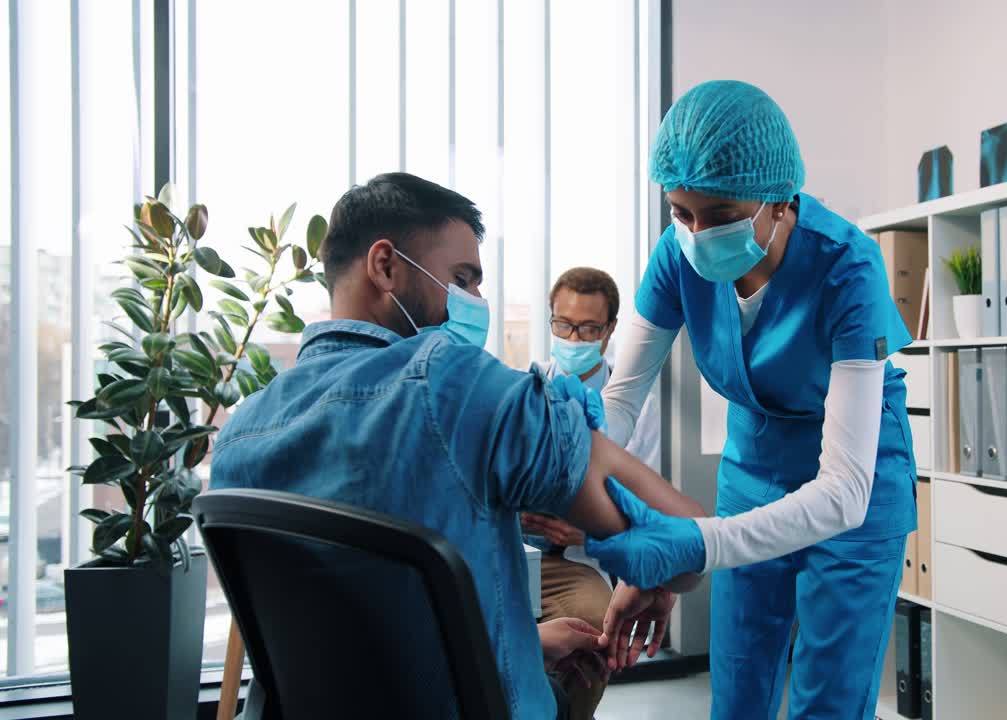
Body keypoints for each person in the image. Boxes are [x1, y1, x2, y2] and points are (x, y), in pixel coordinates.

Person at [209, 173, 705, 720]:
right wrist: (656, 576)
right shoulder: (453, 385)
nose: (475, 301)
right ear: (385, 266)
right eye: (463, 279)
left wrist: (524, 645)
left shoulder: (241, 435)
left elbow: (357, 635)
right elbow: (685, 546)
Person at [586, 81, 918, 720]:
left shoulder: (849, 265)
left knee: (829, 699)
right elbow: (619, 403)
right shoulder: (677, 254)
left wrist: (694, 544)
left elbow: (844, 490)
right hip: (754, 466)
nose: (696, 232)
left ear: (779, 201)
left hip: (858, 482)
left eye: (720, 214)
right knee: (737, 689)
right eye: (681, 212)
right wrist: (616, 524)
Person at [520, 267, 662, 720]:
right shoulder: (526, 387)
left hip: (584, 556)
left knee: (590, 641)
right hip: (518, 548)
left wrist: (589, 528)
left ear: (610, 330)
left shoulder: (639, 405)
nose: (573, 337)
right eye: (563, 325)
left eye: (587, 328)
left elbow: (647, 506)